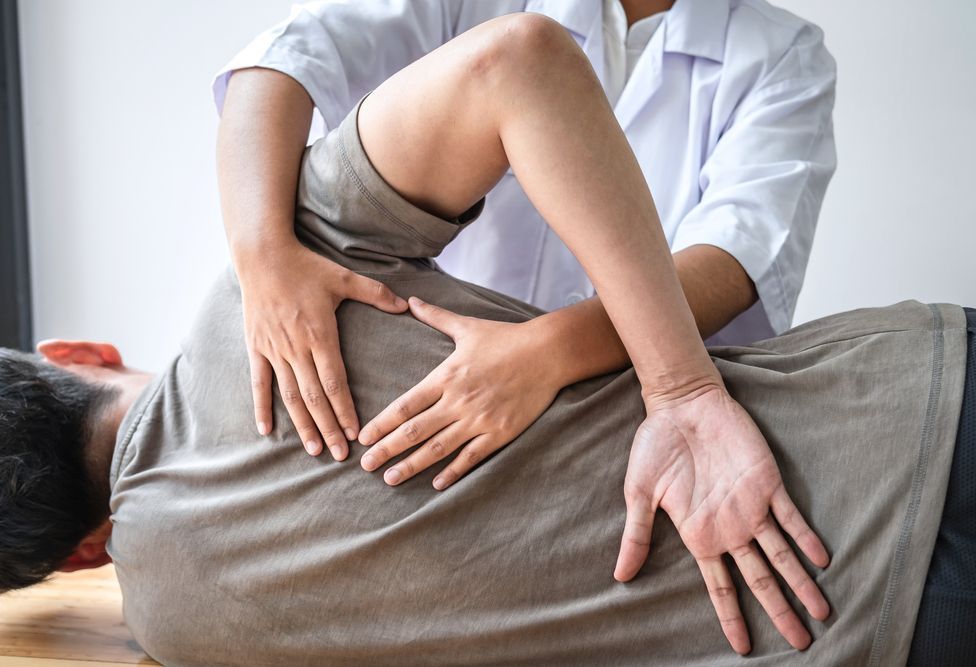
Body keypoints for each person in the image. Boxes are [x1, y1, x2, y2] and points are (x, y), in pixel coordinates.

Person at [1, 15, 976, 665]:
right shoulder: (285, 287)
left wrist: (265, 250)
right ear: (73, 352)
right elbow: (500, 62)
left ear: (78, 551)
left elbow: (735, 256)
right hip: (916, 408)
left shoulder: (186, 631)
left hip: (867, 626)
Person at [213, 0, 837, 472]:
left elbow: (732, 261)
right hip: (425, 380)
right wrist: (264, 256)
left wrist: (548, 352)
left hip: (629, 404)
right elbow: (284, 62)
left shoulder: (783, 56)